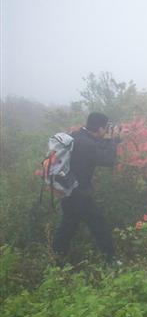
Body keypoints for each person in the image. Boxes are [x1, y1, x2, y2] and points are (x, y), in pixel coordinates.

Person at [53, 112, 122, 264]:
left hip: (67, 190)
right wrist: (113, 141)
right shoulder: (87, 143)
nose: (105, 131)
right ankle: (110, 260)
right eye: (105, 128)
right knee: (99, 225)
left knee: (68, 226)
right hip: (80, 193)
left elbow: (95, 149)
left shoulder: (77, 136)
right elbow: (108, 160)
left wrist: (113, 140)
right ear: (100, 128)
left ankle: (57, 261)